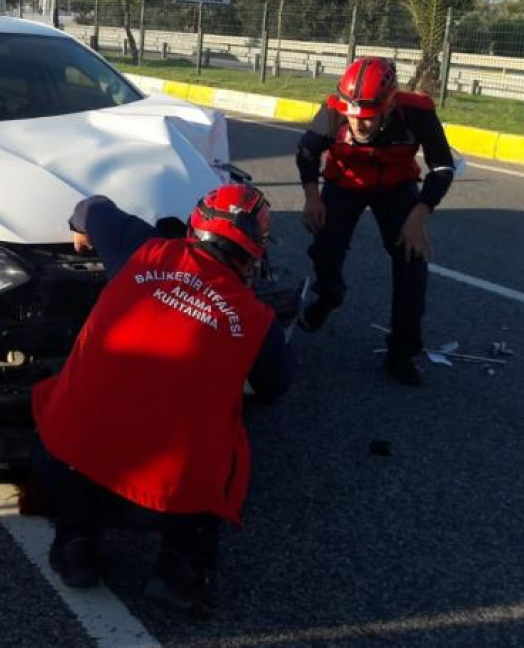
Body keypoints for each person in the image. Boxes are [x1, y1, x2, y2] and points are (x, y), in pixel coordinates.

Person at [31, 183, 294, 619]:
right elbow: (277, 386)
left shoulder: (144, 250)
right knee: (229, 441)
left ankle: (75, 542)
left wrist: (80, 230)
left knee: (65, 398)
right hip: (161, 503)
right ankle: (182, 570)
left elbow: (91, 207)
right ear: (253, 253)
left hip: (61, 467)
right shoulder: (255, 319)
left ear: (194, 227)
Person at [295, 56, 456, 384]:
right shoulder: (333, 111)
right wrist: (312, 196)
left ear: (389, 104)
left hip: (396, 187)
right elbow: (307, 152)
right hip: (345, 182)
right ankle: (329, 295)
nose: (358, 126)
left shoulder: (417, 111)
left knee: (412, 260)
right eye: (353, 118)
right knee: (326, 246)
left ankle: (402, 351)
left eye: (368, 119)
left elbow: (442, 168)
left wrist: (419, 215)